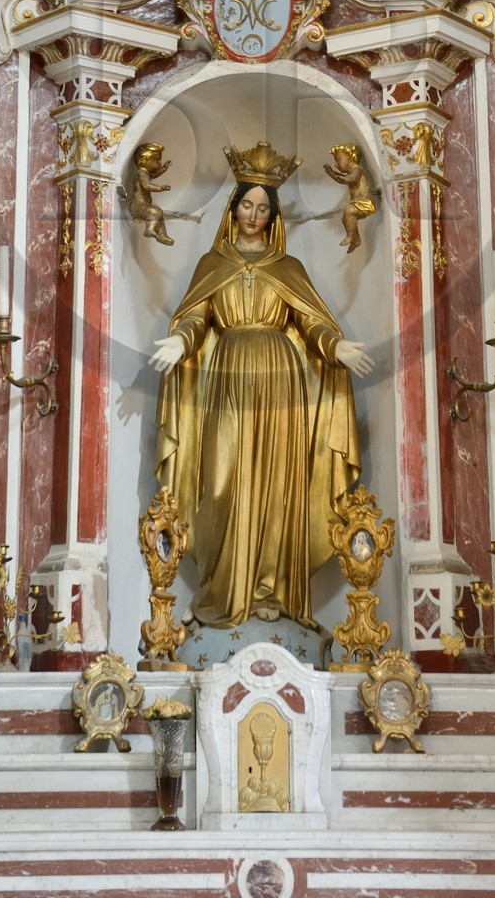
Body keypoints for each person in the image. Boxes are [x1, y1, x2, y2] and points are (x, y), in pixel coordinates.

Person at [150, 142, 374, 629]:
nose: (253, 215)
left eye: (263, 208)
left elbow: (312, 323)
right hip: (228, 380)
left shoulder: (289, 270)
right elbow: (195, 318)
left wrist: (335, 347)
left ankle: (272, 592)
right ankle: (222, 588)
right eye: (246, 205)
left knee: (278, 488)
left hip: (282, 387)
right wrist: (179, 344)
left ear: (274, 217)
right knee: (223, 482)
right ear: (234, 210)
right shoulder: (211, 265)